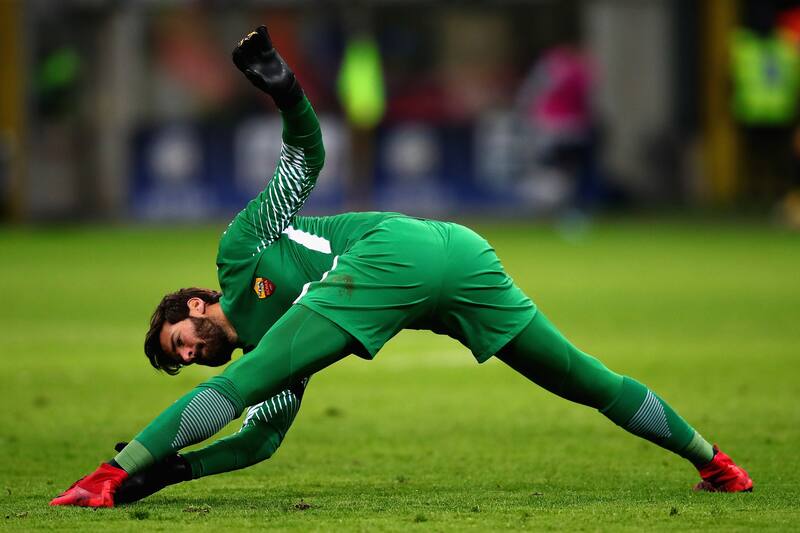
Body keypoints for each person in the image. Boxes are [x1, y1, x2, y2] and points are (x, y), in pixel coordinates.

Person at [51, 26, 753, 508]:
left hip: (393, 252)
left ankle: (106, 474)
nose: (194, 352)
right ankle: (717, 464)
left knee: (243, 382)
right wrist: (174, 470)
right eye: (185, 358)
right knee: (583, 377)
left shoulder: (243, 248)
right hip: (458, 256)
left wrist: (287, 93)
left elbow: (305, 160)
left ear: (195, 305)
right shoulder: (277, 355)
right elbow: (258, 439)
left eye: (181, 337)